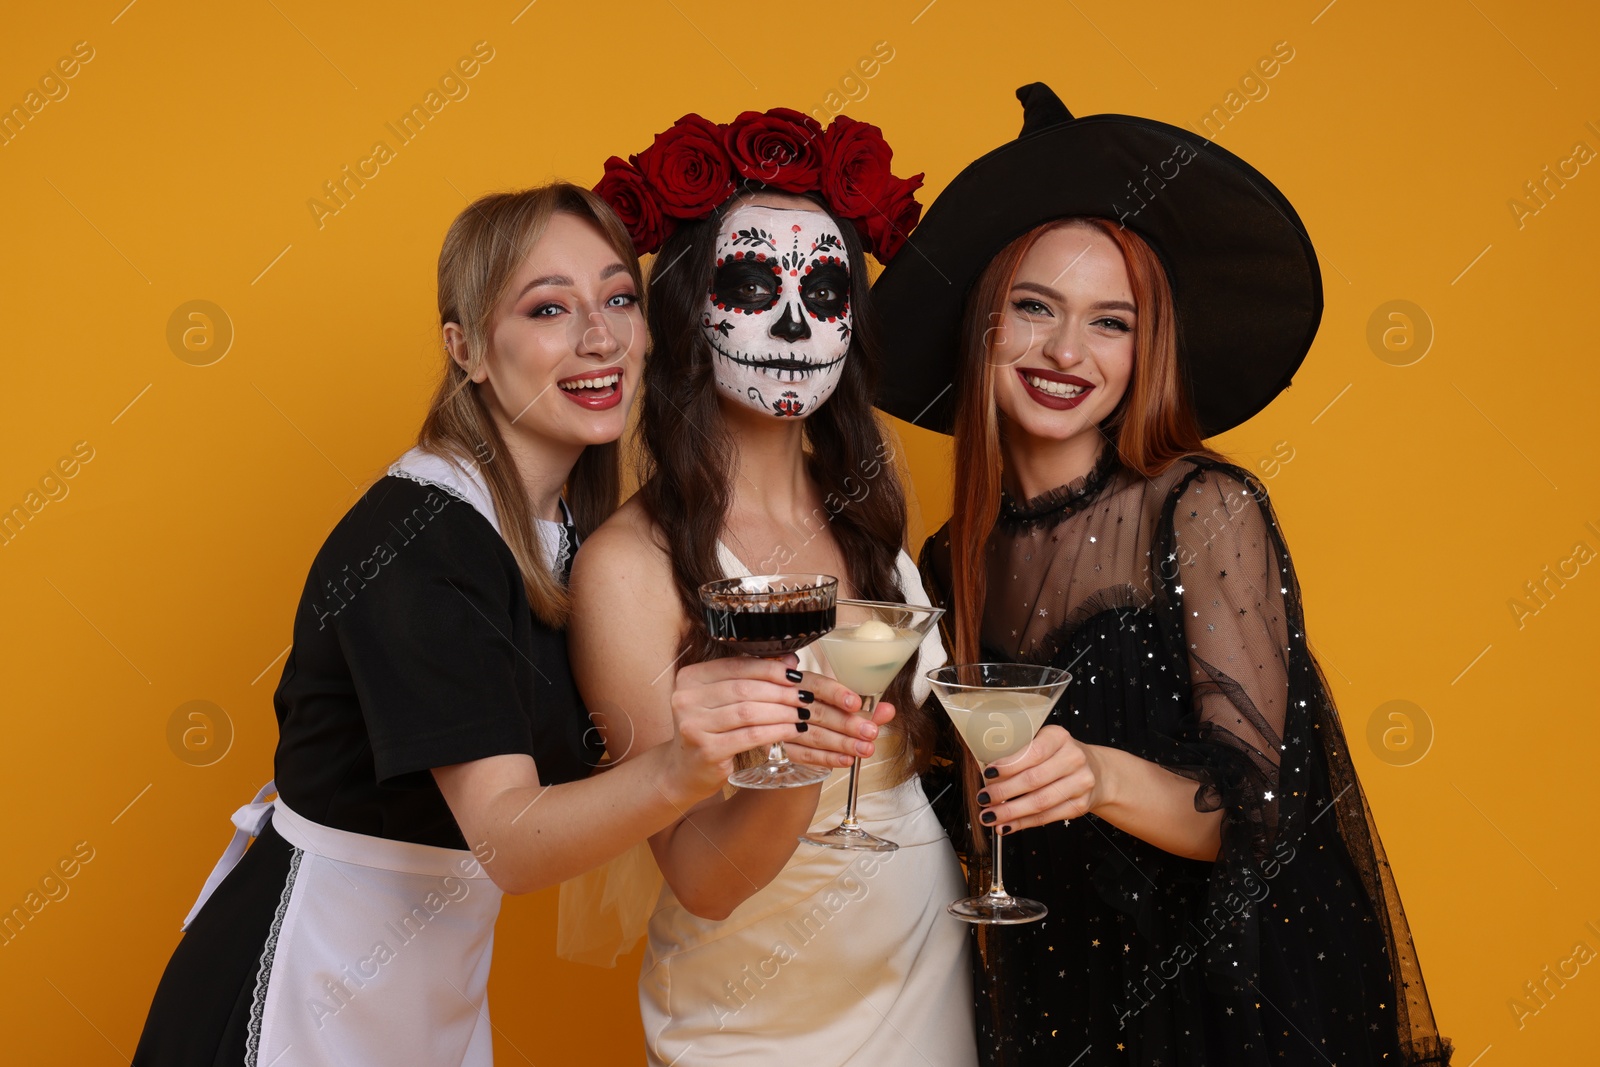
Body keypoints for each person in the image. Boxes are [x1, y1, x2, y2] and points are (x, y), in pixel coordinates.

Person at [134, 182, 871, 1066]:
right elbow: (511, 841)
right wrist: (686, 762)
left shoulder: (562, 535)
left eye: (618, 298)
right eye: (549, 308)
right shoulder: (414, 540)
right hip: (301, 983)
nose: (599, 338)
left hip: (429, 982)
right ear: (468, 349)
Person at [873, 85, 1453, 1066]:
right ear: (983, 322)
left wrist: (1096, 773)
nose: (1066, 350)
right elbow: (962, 817)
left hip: (1231, 988)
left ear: (1149, 349)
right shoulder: (948, 560)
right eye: (1034, 307)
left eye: (1112, 321)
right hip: (1056, 980)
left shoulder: (1202, 507)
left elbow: (1258, 812)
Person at [575, 108, 977, 1065]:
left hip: (925, 971)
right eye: (752, 284)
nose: (793, 323)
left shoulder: (874, 514)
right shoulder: (628, 566)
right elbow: (701, 877)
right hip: (752, 1013)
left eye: (827, 288)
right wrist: (805, 749)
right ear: (685, 310)